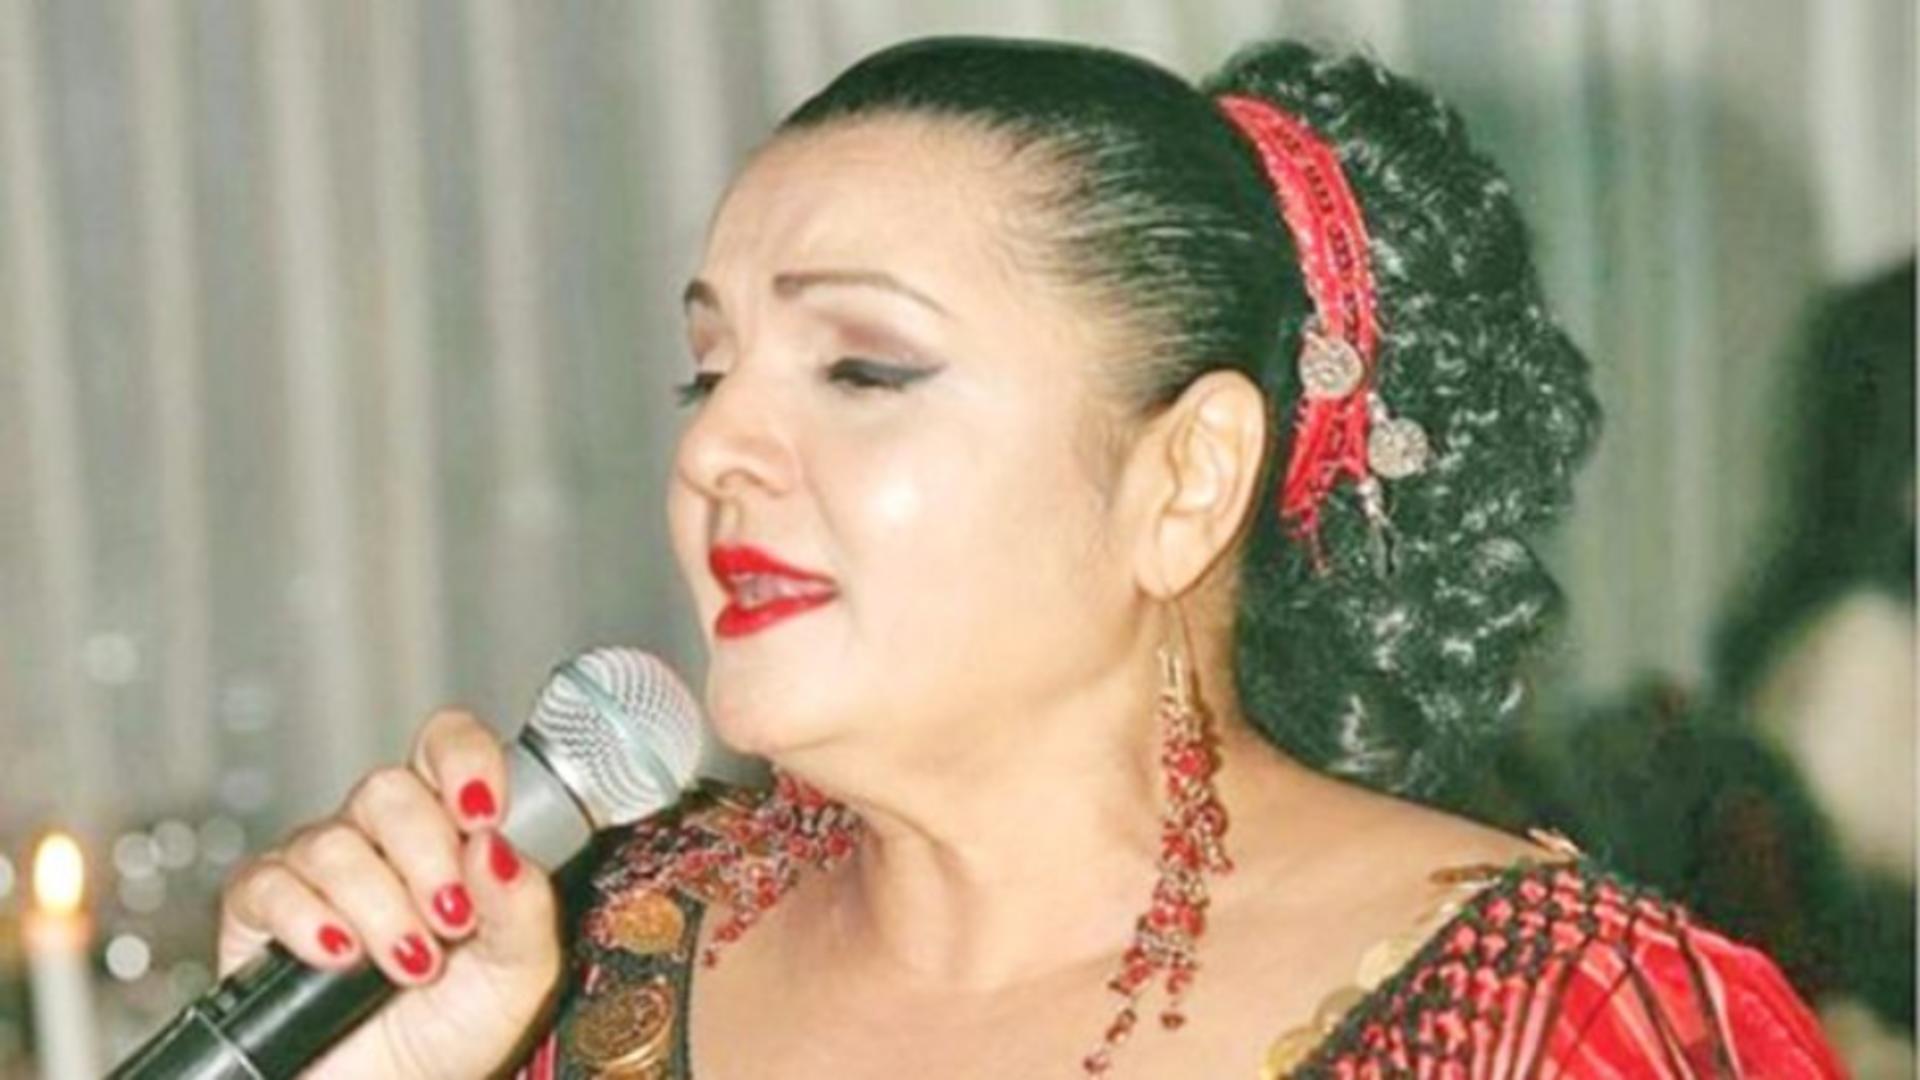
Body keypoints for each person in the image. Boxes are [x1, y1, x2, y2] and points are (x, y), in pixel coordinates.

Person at [214, 36, 1844, 1078]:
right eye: (706, 376)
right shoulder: (581, 957)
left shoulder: (1564, 1021)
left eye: (863, 369)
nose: (715, 452)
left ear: (1187, 478)